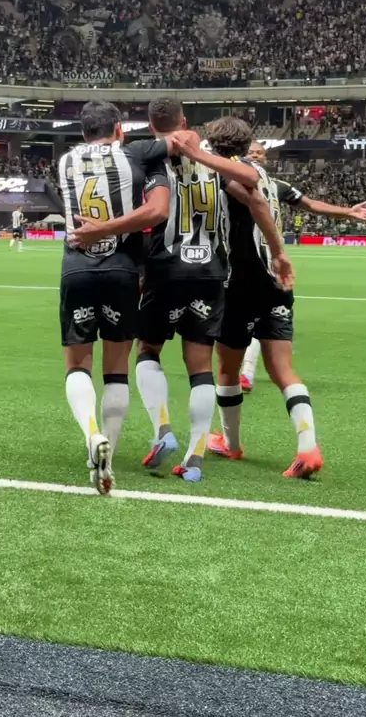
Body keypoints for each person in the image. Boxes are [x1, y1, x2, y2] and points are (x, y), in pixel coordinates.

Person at [135, 101, 292, 482]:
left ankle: (162, 429)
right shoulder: (215, 162)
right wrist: (278, 253)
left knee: (148, 350)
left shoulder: (149, 158)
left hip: (166, 267)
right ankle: (195, 456)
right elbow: (255, 197)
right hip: (211, 273)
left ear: (151, 126)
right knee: (201, 367)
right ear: (184, 121)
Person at [184, 123, 320, 480]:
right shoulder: (263, 174)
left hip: (239, 283)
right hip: (273, 283)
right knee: (283, 370)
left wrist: (280, 252)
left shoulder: (227, 172)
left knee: (227, 370)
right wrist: (279, 256)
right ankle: (308, 446)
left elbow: (253, 200)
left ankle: (231, 444)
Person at [58, 100, 178, 494]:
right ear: (120, 129)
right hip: (122, 269)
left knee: (77, 364)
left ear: (83, 133)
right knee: (117, 368)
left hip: (76, 267)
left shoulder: (65, 161)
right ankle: (107, 457)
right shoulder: (134, 153)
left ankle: (91, 435)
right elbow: (180, 141)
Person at [240, 142, 366, 393]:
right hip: (239, 260)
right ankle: (235, 375)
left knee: (258, 316)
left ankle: (245, 374)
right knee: (243, 319)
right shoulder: (231, 181)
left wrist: (348, 211)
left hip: (268, 260)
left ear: (266, 159)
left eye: (260, 152)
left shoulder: (278, 186)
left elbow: (311, 204)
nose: (255, 155)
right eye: (251, 152)